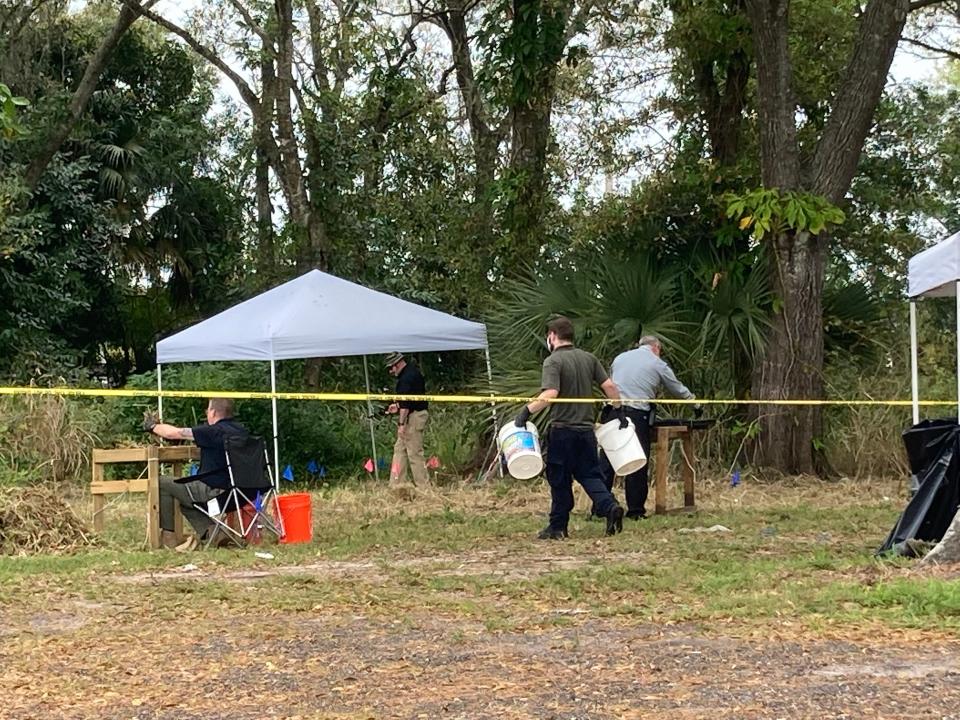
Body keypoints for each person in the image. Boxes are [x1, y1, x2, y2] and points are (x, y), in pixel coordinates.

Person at [515, 316, 627, 539]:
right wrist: (618, 410)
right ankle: (609, 507)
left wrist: (526, 411)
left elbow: (550, 394)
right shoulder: (589, 358)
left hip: (563, 431)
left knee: (559, 478)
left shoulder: (553, 362)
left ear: (553, 336)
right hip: (586, 432)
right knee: (590, 475)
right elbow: (610, 386)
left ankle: (558, 526)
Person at [599, 334, 698, 520]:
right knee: (636, 461)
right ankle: (635, 511)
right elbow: (676, 388)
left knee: (608, 459)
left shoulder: (619, 358)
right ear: (656, 348)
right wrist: (696, 404)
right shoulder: (657, 363)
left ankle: (600, 506)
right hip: (637, 414)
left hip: (613, 411)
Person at [143, 397, 248, 551]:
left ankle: (168, 537)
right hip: (243, 494)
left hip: (215, 492)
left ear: (212, 412)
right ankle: (216, 535)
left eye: (207, 410)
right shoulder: (242, 431)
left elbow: (174, 433)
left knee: (161, 482)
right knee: (186, 502)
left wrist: (152, 426)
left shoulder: (213, 431)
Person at [384, 352, 429, 487]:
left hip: (413, 417)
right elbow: (409, 400)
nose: (391, 372)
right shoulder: (413, 372)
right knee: (399, 450)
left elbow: (405, 406)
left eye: (391, 368)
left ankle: (424, 488)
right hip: (413, 412)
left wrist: (401, 424)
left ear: (397, 364)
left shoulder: (405, 379)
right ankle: (397, 484)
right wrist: (397, 406)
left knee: (414, 453)